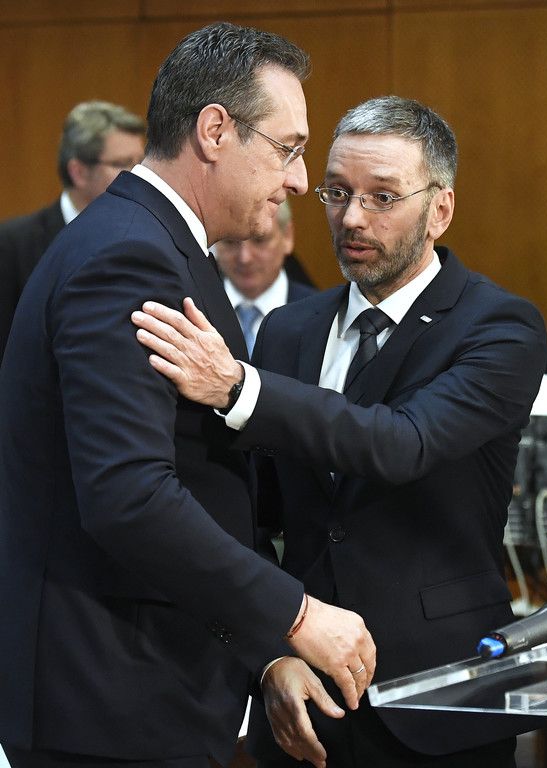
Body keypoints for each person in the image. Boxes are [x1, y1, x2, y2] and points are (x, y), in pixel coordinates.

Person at [131, 95, 547, 768]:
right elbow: (246, 510)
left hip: (439, 697)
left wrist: (240, 389)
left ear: (440, 209)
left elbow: (402, 442)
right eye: (337, 192)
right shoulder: (288, 329)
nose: (352, 218)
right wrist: (267, 651)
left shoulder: (500, 326)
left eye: (383, 197)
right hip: (300, 693)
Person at [0, 23, 376, 768]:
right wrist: (296, 616)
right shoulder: (131, 254)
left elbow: (205, 481)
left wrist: (266, 649)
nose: (299, 181)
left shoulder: (155, 242)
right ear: (214, 131)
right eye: (288, 149)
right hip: (109, 698)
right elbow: (128, 494)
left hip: (137, 689)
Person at [0, 99, 146, 363]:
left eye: (141, 162)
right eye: (123, 163)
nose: (137, 175)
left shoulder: (147, 239)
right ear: (78, 172)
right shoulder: (12, 244)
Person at [215, 200, 316, 355]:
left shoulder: (320, 316)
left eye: (260, 240)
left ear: (287, 236)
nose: (245, 258)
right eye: (230, 242)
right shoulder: (192, 308)